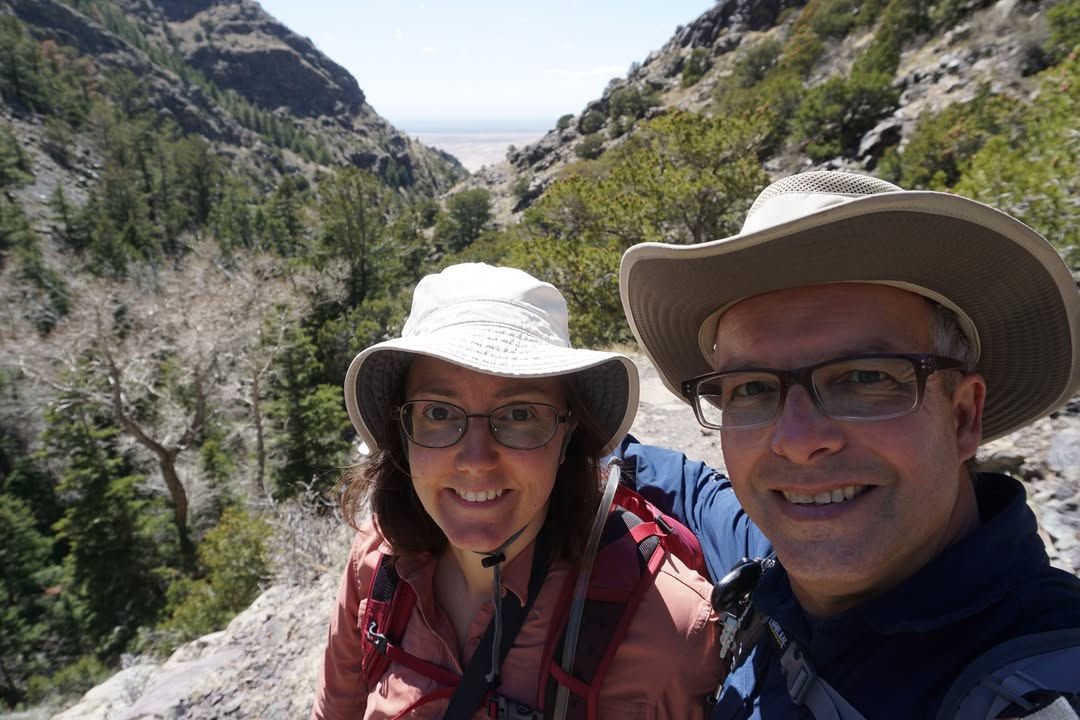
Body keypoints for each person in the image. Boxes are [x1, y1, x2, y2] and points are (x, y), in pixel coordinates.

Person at [618, 170, 1080, 718]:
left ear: (962, 416)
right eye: (753, 388)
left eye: (865, 377)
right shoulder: (773, 563)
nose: (797, 441)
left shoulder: (1048, 678)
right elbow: (695, 491)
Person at [311, 263, 722, 719]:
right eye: (439, 413)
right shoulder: (377, 562)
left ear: (568, 432)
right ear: (401, 430)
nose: (475, 459)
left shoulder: (666, 631)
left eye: (520, 414)